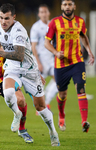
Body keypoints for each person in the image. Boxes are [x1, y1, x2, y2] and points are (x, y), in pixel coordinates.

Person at [0, 3, 60, 146]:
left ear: (14, 17)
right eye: (1, 18)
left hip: (29, 70)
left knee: (40, 107)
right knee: (8, 91)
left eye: (7, 18)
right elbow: (1, 42)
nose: (3, 22)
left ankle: (53, 132)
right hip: (12, 68)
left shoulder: (19, 31)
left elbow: (19, 55)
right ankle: (17, 114)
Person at [45, 0, 94, 133]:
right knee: (62, 93)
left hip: (77, 61)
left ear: (74, 6)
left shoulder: (80, 21)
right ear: (61, 6)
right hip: (61, 64)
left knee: (81, 89)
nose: (67, 7)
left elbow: (83, 36)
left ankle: (84, 122)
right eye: (65, 4)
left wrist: (89, 50)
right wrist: (55, 52)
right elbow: (46, 42)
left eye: (70, 4)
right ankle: (61, 116)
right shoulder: (54, 22)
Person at [30, 4, 58, 114]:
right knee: (38, 84)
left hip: (51, 58)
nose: (44, 14)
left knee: (58, 81)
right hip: (41, 59)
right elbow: (33, 46)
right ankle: (40, 106)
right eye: (41, 12)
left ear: (48, 13)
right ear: (39, 14)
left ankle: (46, 102)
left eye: (45, 12)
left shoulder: (53, 24)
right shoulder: (36, 27)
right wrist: (38, 61)